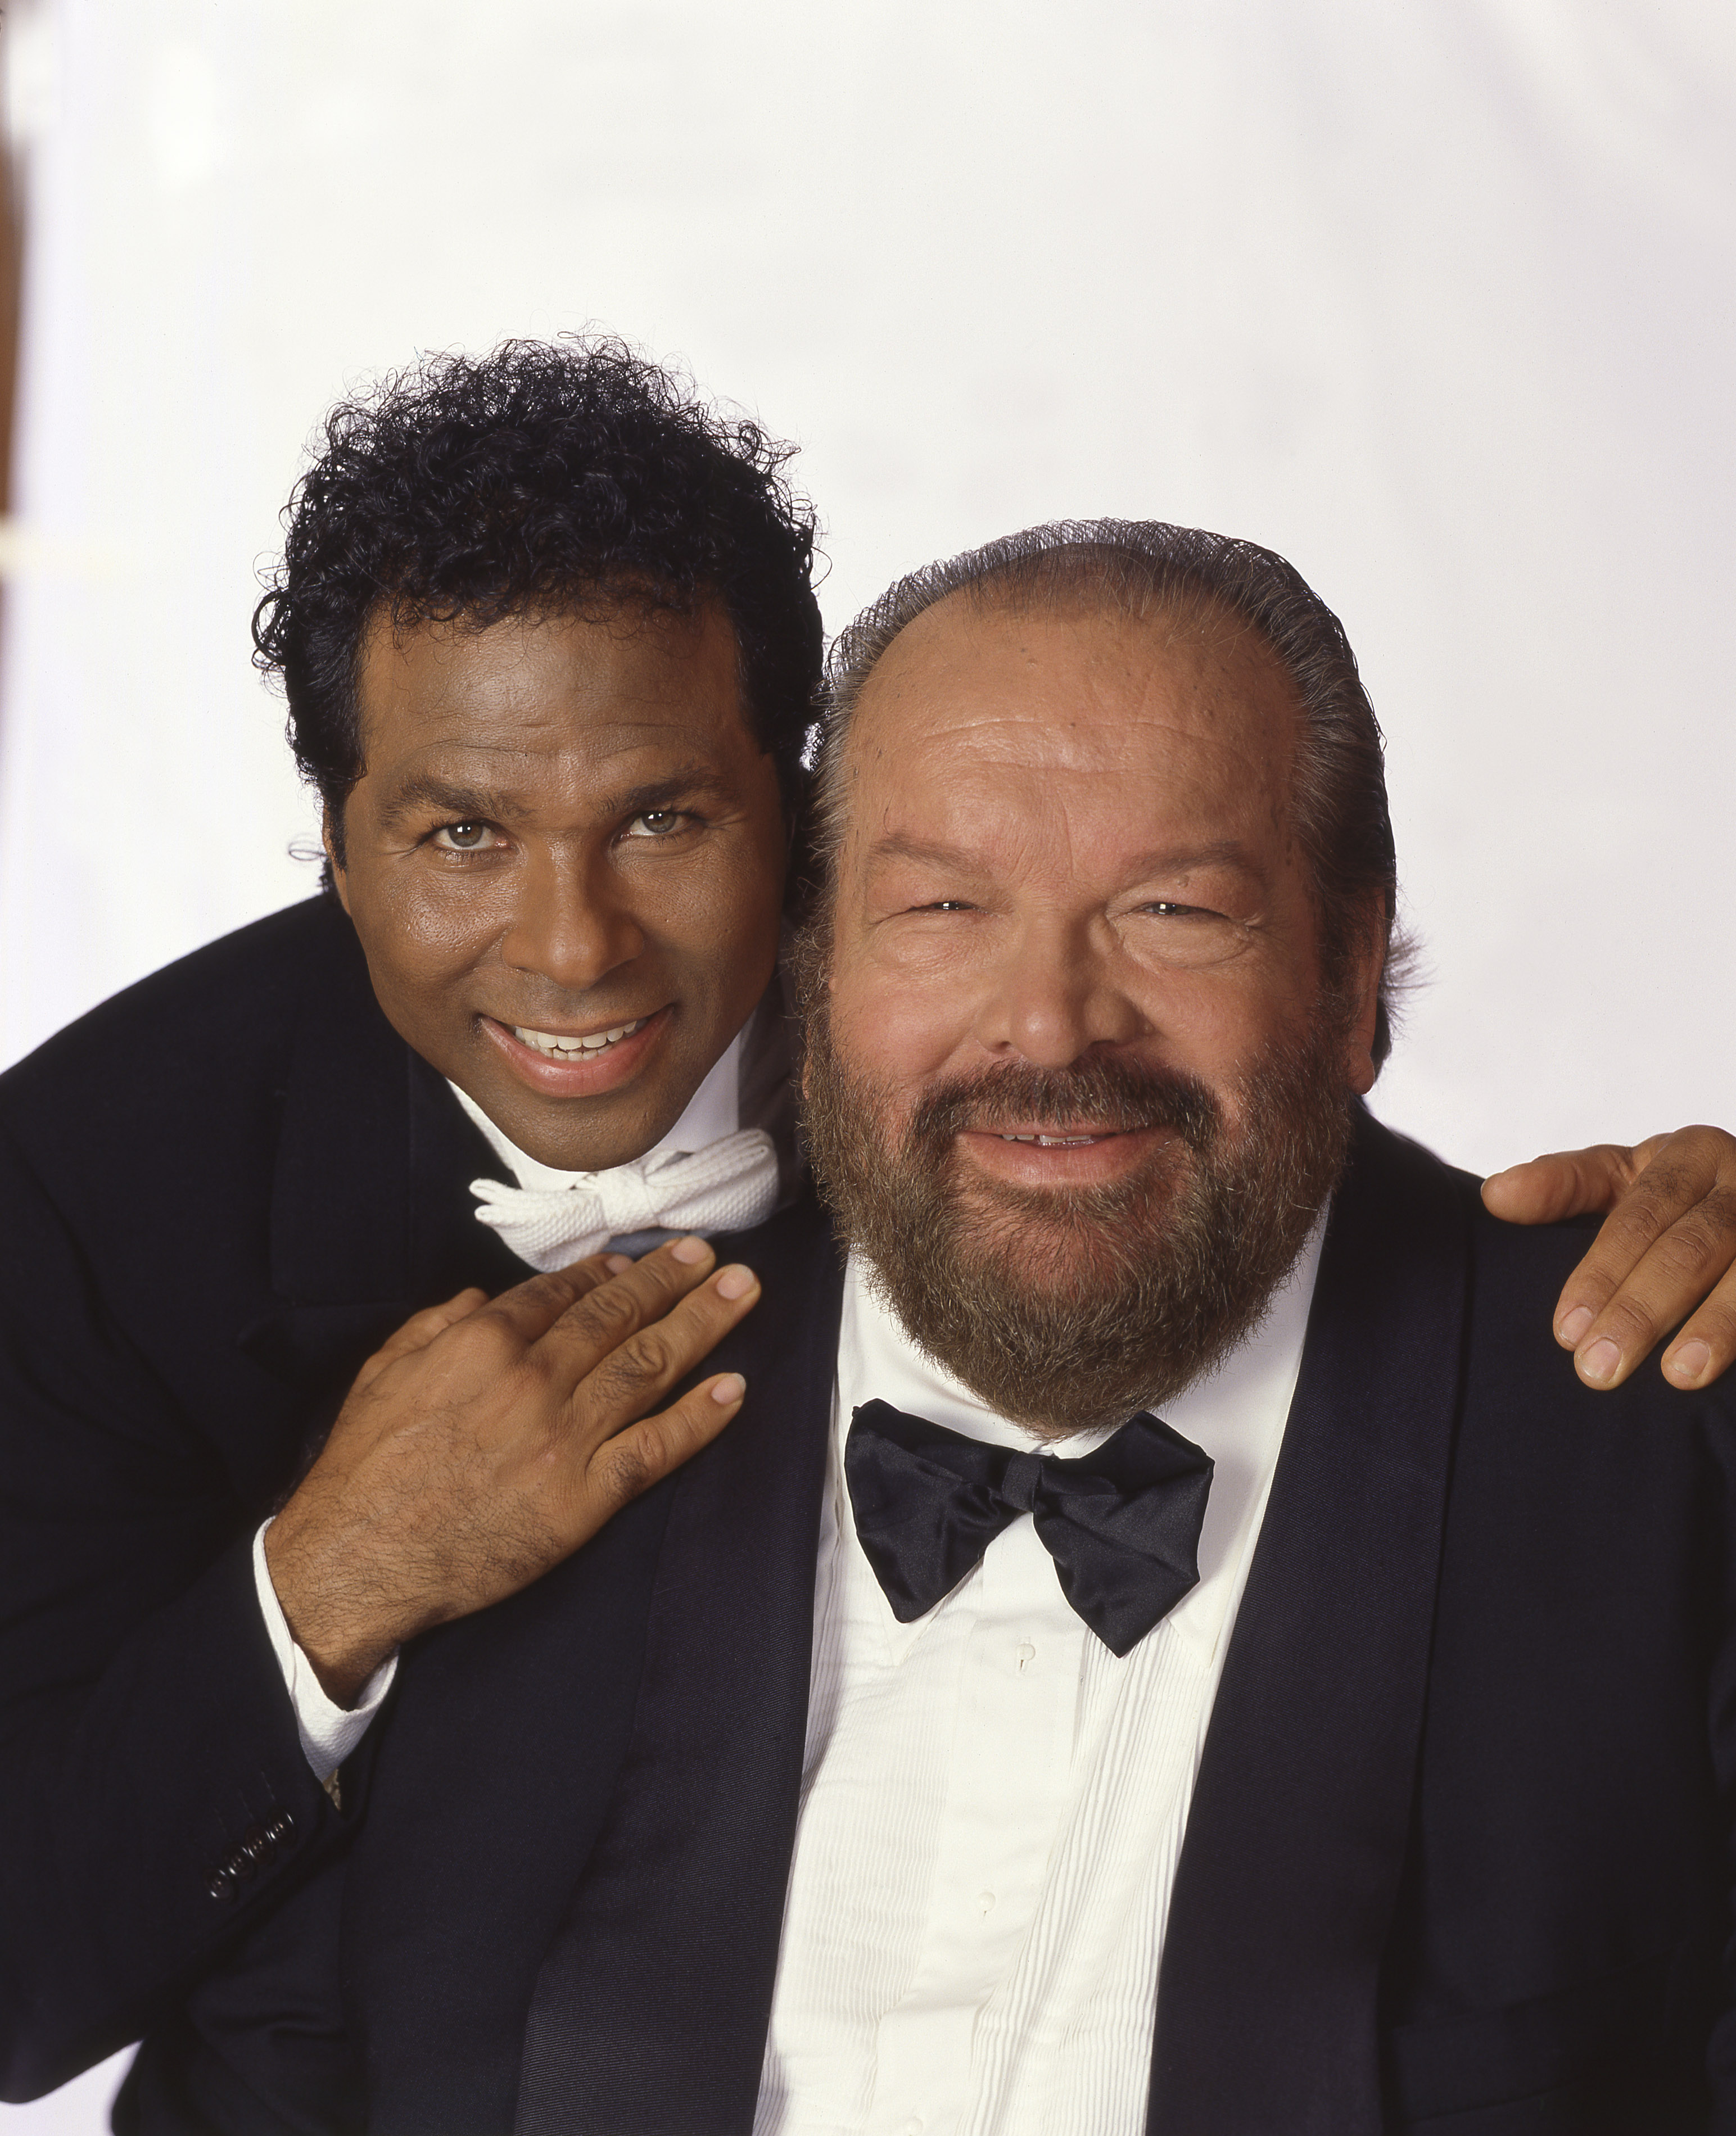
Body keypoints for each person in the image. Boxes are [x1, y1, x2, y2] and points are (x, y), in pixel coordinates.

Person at [0, 346, 1728, 2130]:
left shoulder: (1625, 1450)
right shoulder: (114, 1210)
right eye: (461, 834)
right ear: (341, 854)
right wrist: (328, 1592)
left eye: (664, 818)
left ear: (796, 840)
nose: (574, 947)